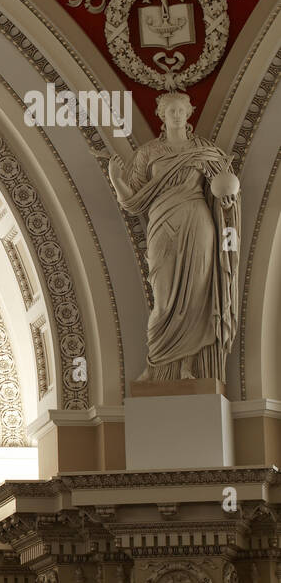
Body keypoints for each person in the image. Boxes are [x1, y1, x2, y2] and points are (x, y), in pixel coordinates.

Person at [108, 91, 240, 382]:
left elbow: (224, 188)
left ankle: (187, 367)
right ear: (162, 117)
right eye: (171, 111)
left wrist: (228, 203)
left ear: (189, 113)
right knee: (164, 298)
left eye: (181, 109)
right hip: (162, 224)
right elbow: (132, 202)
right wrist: (117, 180)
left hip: (197, 222)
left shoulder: (204, 150)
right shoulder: (148, 153)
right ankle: (156, 364)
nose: (177, 115)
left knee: (196, 297)